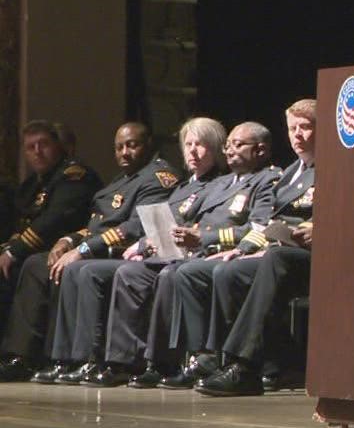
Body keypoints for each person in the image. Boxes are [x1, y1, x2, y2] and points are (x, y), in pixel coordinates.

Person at [59, 118, 228, 386]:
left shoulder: (223, 183)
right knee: (130, 273)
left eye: (201, 145)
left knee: (157, 275)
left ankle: (160, 362)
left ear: (218, 148)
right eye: (188, 144)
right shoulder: (184, 187)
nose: (193, 151)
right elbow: (158, 225)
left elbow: (212, 226)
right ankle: (120, 361)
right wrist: (146, 244)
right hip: (166, 253)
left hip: (196, 255)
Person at [8, 123, 176, 379]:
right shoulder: (121, 180)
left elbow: (135, 226)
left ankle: (86, 356)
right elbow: (97, 224)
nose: (125, 152)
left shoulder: (158, 177)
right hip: (100, 248)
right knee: (38, 264)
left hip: (129, 252)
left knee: (80, 270)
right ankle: (46, 356)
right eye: (119, 147)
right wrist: (67, 241)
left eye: (132, 145)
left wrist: (83, 249)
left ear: (149, 144)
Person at [173, 100, 318, 393]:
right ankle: (268, 361)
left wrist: (314, 229)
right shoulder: (291, 174)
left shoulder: (335, 168)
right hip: (278, 250)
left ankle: (245, 366)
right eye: (292, 128)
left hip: (314, 255)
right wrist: (244, 250)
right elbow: (267, 223)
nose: (297, 135)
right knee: (229, 271)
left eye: (305, 127)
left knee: (275, 258)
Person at [0, 121, 103, 378]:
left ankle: (21, 357)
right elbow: (19, 222)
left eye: (43, 145)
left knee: (32, 264)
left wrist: (14, 252)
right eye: (30, 147)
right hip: (33, 252)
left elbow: (53, 221)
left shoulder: (74, 176)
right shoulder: (32, 185)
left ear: (57, 146)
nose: (37, 152)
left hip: (68, 248)